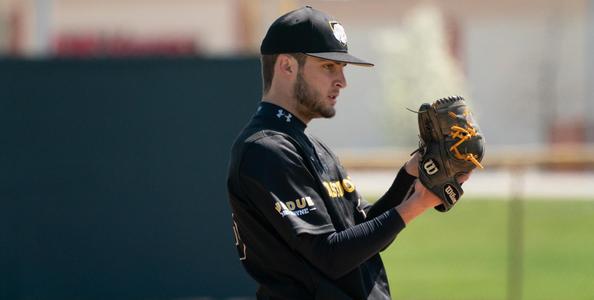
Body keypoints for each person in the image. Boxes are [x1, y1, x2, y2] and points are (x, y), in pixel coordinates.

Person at [227, 6, 457, 299]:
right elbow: (330, 255)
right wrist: (418, 204)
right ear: (286, 66)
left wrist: (409, 176)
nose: (342, 81)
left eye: (342, 69)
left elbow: (360, 233)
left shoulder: (309, 146)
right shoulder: (265, 150)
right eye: (328, 67)